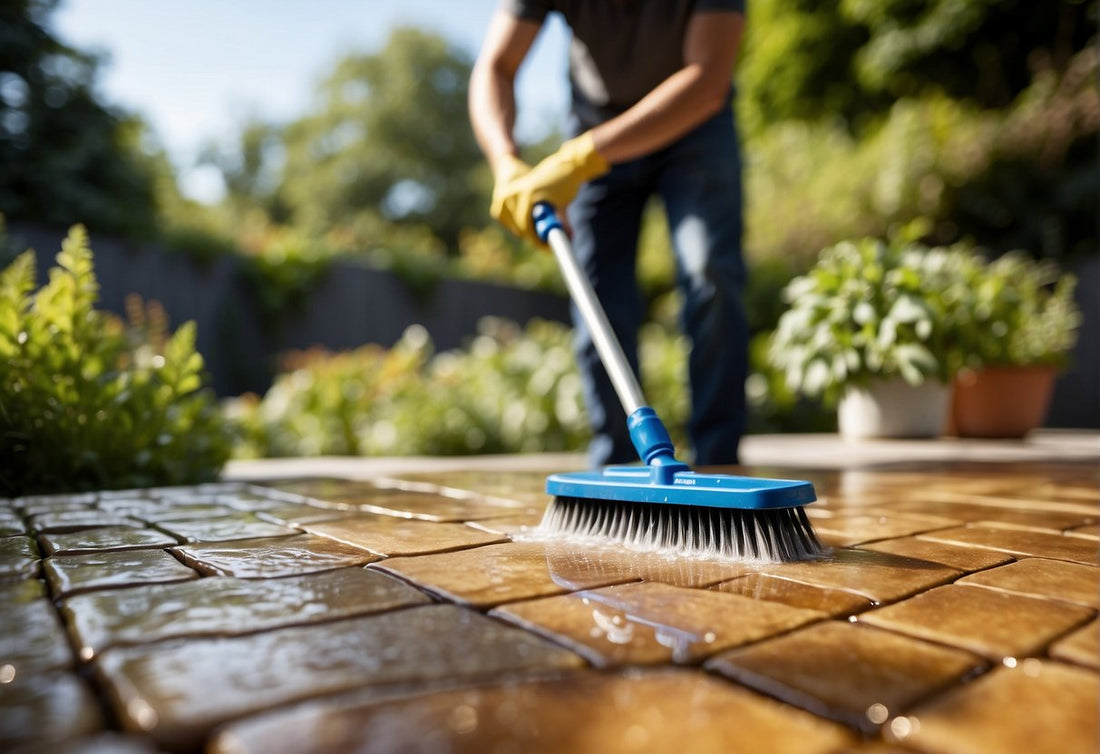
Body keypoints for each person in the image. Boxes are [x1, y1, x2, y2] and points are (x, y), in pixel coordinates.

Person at [469, 0, 748, 468]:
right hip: (594, 120)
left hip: (694, 124)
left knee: (709, 270)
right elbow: (495, 65)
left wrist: (581, 158)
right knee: (595, 290)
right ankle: (616, 462)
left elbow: (708, 79)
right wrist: (506, 163)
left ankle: (720, 459)